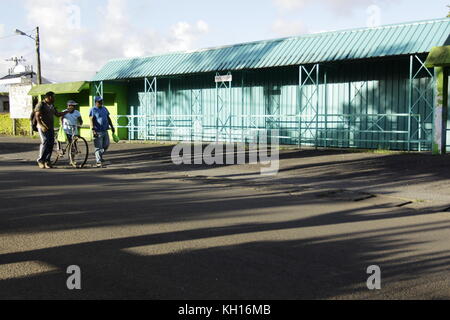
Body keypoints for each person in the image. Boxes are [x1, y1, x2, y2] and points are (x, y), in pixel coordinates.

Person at [35, 92, 68, 169]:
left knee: (51, 143)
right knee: (45, 141)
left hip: (50, 127)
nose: (54, 99)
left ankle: (47, 161)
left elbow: (57, 114)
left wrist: (67, 111)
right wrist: (41, 125)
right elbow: (37, 115)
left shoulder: (52, 105)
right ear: (49, 97)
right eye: (53, 97)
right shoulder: (41, 104)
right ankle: (40, 160)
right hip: (42, 127)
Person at [89, 96, 115, 168]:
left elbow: (108, 118)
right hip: (97, 131)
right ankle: (98, 161)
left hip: (105, 130)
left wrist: (112, 126)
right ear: (96, 102)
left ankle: (98, 155)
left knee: (106, 145)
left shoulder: (104, 108)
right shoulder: (93, 110)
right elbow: (91, 120)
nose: (101, 102)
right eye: (99, 101)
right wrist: (93, 130)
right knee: (98, 147)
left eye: (101, 101)